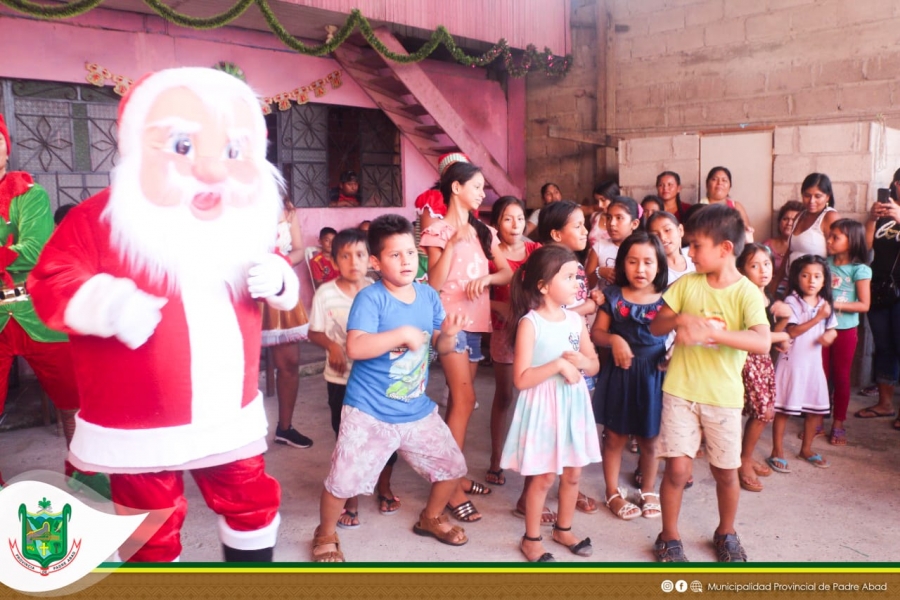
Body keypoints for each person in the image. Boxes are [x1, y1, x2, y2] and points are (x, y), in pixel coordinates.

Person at [28, 67, 299, 562]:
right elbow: (50, 282)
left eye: (233, 151)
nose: (213, 170)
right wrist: (107, 304)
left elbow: (274, 271)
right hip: (138, 425)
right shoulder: (99, 219)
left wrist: (279, 279)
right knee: (148, 525)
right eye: (182, 145)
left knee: (251, 504)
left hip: (227, 414)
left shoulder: (239, 220)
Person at [310, 214, 469, 562]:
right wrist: (401, 335)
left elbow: (438, 347)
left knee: (452, 466)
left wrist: (450, 336)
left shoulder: (428, 296)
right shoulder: (372, 299)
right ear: (376, 262)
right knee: (342, 481)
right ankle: (325, 534)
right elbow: (356, 347)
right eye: (395, 255)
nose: (406, 261)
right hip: (369, 410)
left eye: (410, 253)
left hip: (415, 409)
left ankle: (431, 518)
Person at [649, 204, 770, 562]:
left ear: (725, 249)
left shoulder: (746, 293)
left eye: (697, 245)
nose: (690, 253)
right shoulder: (687, 284)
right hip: (681, 392)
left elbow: (762, 341)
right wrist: (681, 319)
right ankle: (669, 536)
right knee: (677, 470)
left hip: (723, 398)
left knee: (725, 472)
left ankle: (726, 531)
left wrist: (718, 334)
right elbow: (656, 325)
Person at [0, 115, 92, 493]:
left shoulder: (29, 194)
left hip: (39, 314)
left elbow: (35, 251)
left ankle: (87, 483)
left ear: (6, 146)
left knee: (77, 407)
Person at [420, 161, 513, 523]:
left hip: (477, 324)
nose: (482, 193)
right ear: (456, 188)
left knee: (459, 403)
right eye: (476, 187)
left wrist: (487, 282)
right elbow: (434, 283)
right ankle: (449, 488)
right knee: (465, 399)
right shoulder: (438, 230)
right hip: (449, 323)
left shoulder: (484, 231)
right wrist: (453, 244)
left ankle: (453, 474)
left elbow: (504, 271)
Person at [500, 245, 600, 562]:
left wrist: (584, 360)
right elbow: (521, 378)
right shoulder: (531, 323)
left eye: (577, 277)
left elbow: (594, 364)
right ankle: (531, 539)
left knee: (572, 474)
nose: (577, 284)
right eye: (569, 277)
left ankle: (563, 528)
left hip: (573, 404)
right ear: (543, 285)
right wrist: (557, 365)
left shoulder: (575, 321)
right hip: (543, 407)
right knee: (543, 477)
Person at [308, 227, 400, 528]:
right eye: (345, 256)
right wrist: (332, 346)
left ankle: (384, 487)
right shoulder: (325, 294)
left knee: (386, 436)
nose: (353, 261)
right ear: (334, 262)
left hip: (376, 379)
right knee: (348, 440)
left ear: (371, 259)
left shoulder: (379, 290)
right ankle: (351, 497)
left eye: (360, 254)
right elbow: (314, 332)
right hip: (341, 380)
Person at [591, 232, 668, 521]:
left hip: (653, 374)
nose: (640, 269)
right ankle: (612, 492)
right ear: (623, 264)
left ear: (659, 266)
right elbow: (597, 333)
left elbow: (680, 333)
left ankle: (648, 489)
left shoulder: (668, 298)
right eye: (633, 261)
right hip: (620, 374)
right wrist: (615, 341)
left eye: (648, 262)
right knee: (615, 436)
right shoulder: (612, 297)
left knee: (650, 438)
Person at [534, 200, 600, 515]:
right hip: (550, 363)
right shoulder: (545, 269)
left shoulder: (574, 264)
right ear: (556, 234)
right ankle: (529, 495)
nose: (585, 231)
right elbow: (548, 313)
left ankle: (568, 490)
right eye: (577, 225)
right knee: (544, 433)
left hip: (576, 354)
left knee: (570, 430)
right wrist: (589, 306)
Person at [485, 196, 540, 488]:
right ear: (496, 224)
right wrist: (497, 307)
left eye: (520, 217)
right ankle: (496, 460)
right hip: (503, 331)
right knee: (505, 396)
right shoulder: (489, 256)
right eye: (508, 218)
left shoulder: (536, 251)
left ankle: (533, 459)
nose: (515, 224)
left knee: (535, 398)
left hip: (534, 333)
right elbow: (481, 295)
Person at [769, 255, 837, 471]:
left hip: (813, 365)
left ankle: (806, 449)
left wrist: (831, 335)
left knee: (815, 411)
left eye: (817, 276)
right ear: (797, 278)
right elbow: (793, 331)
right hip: (792, 364)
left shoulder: (825, 304)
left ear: (825, 280)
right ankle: (776, 450)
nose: (811, 281)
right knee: (784, 409)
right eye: (806, 275)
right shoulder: (792, 302)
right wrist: (817, 318)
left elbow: (831, 327)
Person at [735, 244, 791, 493]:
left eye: (766, 264)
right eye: (754, 265)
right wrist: (783, 337)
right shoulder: (747, 295)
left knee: (762, 412)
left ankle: (743, 455)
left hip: (761, 360)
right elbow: (760, 337)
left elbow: (770, 335)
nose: (762, 270)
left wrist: (784, 321)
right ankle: (743, 460)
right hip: (749, 359)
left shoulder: (766, 295)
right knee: (761, 412)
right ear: (742, 270)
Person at [262, 197, 313, 450]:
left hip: (282, 287)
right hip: (246, 288)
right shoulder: (233, 202)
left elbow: (299, 250)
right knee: (242, 367)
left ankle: (285, 428)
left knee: (289, 362)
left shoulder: (287, 209)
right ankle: (239, 436)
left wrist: (280, 263)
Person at [857, 172, 900, 424]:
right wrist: (872, 220)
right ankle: (885, 404)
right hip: (880, 288)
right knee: (884, 347)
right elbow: (866, 247)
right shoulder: (884, 212)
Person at [823, 220, 870, 445]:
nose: (829, 241)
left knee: (841, 377)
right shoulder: (824, 264)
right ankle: (817, 421)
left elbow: (864, 305)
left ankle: (838, 423)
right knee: (821, 376)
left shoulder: (859, 270)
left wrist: (833, 306)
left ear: (851, 242)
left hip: (845, 331)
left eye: (836, 237)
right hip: (822, 329)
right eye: (829, 236)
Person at [770, 173, 840, 297]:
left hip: (815, 290)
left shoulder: (830, 217)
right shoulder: (800, 216)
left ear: (828, 197)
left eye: (818, 196)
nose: (812, 201)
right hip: (794, 285)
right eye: (807, 195)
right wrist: (776, 282)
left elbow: (837, 255)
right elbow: (790, 252)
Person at [585, 196, 641, 291]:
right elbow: (586, 285)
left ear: (634, 224)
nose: (612, 223)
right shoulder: (599, 247)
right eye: (609, 218)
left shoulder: (642, 248)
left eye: (619, 218)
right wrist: (599, 272)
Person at [700, 167, 754, 242]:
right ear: (707, 184)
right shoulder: (699, 207)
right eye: (714, 179)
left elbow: (746, 233)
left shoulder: (736, 206)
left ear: (730, 186)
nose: (719, 183)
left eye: (724, 180)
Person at [763, 201, 805, 297]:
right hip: (769, 292)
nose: (789, 223)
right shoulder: (766, 246)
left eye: (794, 219)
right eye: (785, 219)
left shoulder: (802, 248)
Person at [647, 211, 694, 286]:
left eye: (667, 230)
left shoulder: (694, 259)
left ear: (680, 230)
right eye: (655, 234)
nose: (662, 237)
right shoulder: (653, 269)